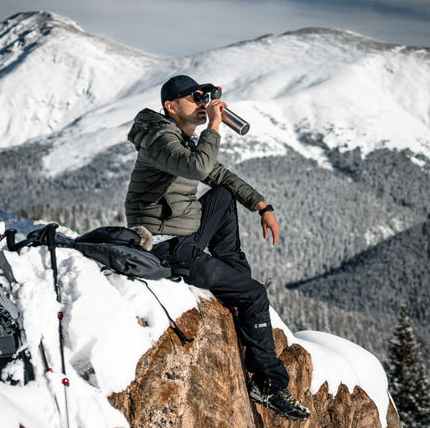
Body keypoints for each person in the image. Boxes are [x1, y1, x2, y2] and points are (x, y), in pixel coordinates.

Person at [125, 75, 310, 421]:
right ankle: (267, 384)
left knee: (223, 197)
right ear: (170, 106)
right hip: (166, 247)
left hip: (184, 234)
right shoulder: (158, 139)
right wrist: (214, 124)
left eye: (205, 97)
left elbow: (220, 177)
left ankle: (235, 287)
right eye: (195, 97)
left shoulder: (181, 137)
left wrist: (263, 207)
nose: (202, 102)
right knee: (255, 294)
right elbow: (198, 166)